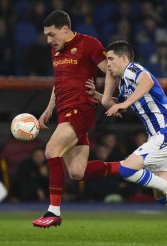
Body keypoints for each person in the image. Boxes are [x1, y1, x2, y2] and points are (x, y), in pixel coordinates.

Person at [87, 40, 167, 239]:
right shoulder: (125, 82)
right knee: (160, 197)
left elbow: (147, 81)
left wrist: (125, 105)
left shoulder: (133, 69)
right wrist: (97, 95)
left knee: (127, 169)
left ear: (124, 59)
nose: (108, 64)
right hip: (163, 136)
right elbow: (112, 102)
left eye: (111, 59)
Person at [31, 10, 121, 228]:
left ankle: (53, 211)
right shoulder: (56, 51)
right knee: (77, 172)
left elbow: (111, 70)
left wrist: (106, 97)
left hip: (81, 109)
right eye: (46, 35)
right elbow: (59, 82)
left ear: (65, 29)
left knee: (52, 150)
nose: (48, 40)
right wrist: (48, 109)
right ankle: (128, 167)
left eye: (51, 35)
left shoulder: (88, 44)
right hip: (64, 110)